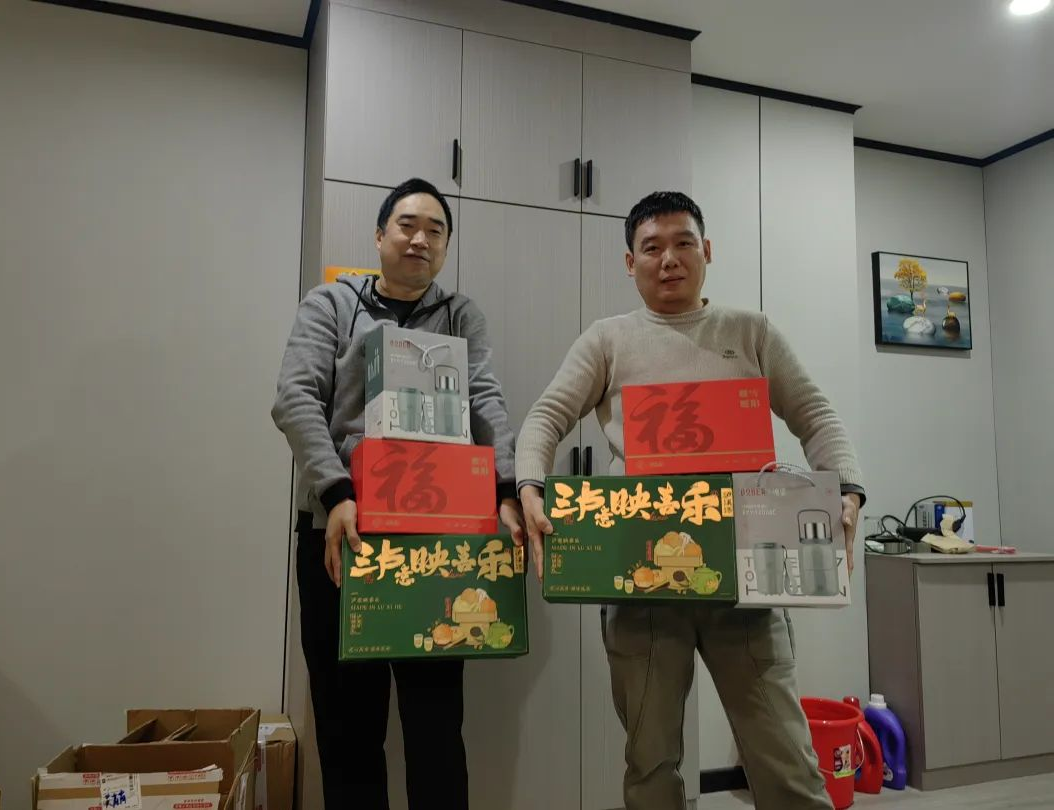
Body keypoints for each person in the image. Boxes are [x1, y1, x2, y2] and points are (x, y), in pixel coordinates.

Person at [515, 191, 865, 810]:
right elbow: (546, 416)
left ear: (707, 250)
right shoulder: (607, 339)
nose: (669, 259)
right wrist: (530, 485)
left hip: (745, 573)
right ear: (631, 263)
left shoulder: (751, 331)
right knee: (650, 761)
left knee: (785, 759)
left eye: (683, 243)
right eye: (651, 248)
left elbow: (815, 414)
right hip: (641, 578)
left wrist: (848, 489)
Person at [272, 177, 524, 810]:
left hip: (436, 536)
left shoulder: (460, 314)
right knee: (347, 725)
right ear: (380, 234)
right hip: (342, 531)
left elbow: (485, 399)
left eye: (435, 231)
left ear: (446, 247)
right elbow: (295, 399)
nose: (420, 240)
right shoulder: (331, 304)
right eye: (407, 226)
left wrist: (506, 485)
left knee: (436, 725)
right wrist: (337, 492)